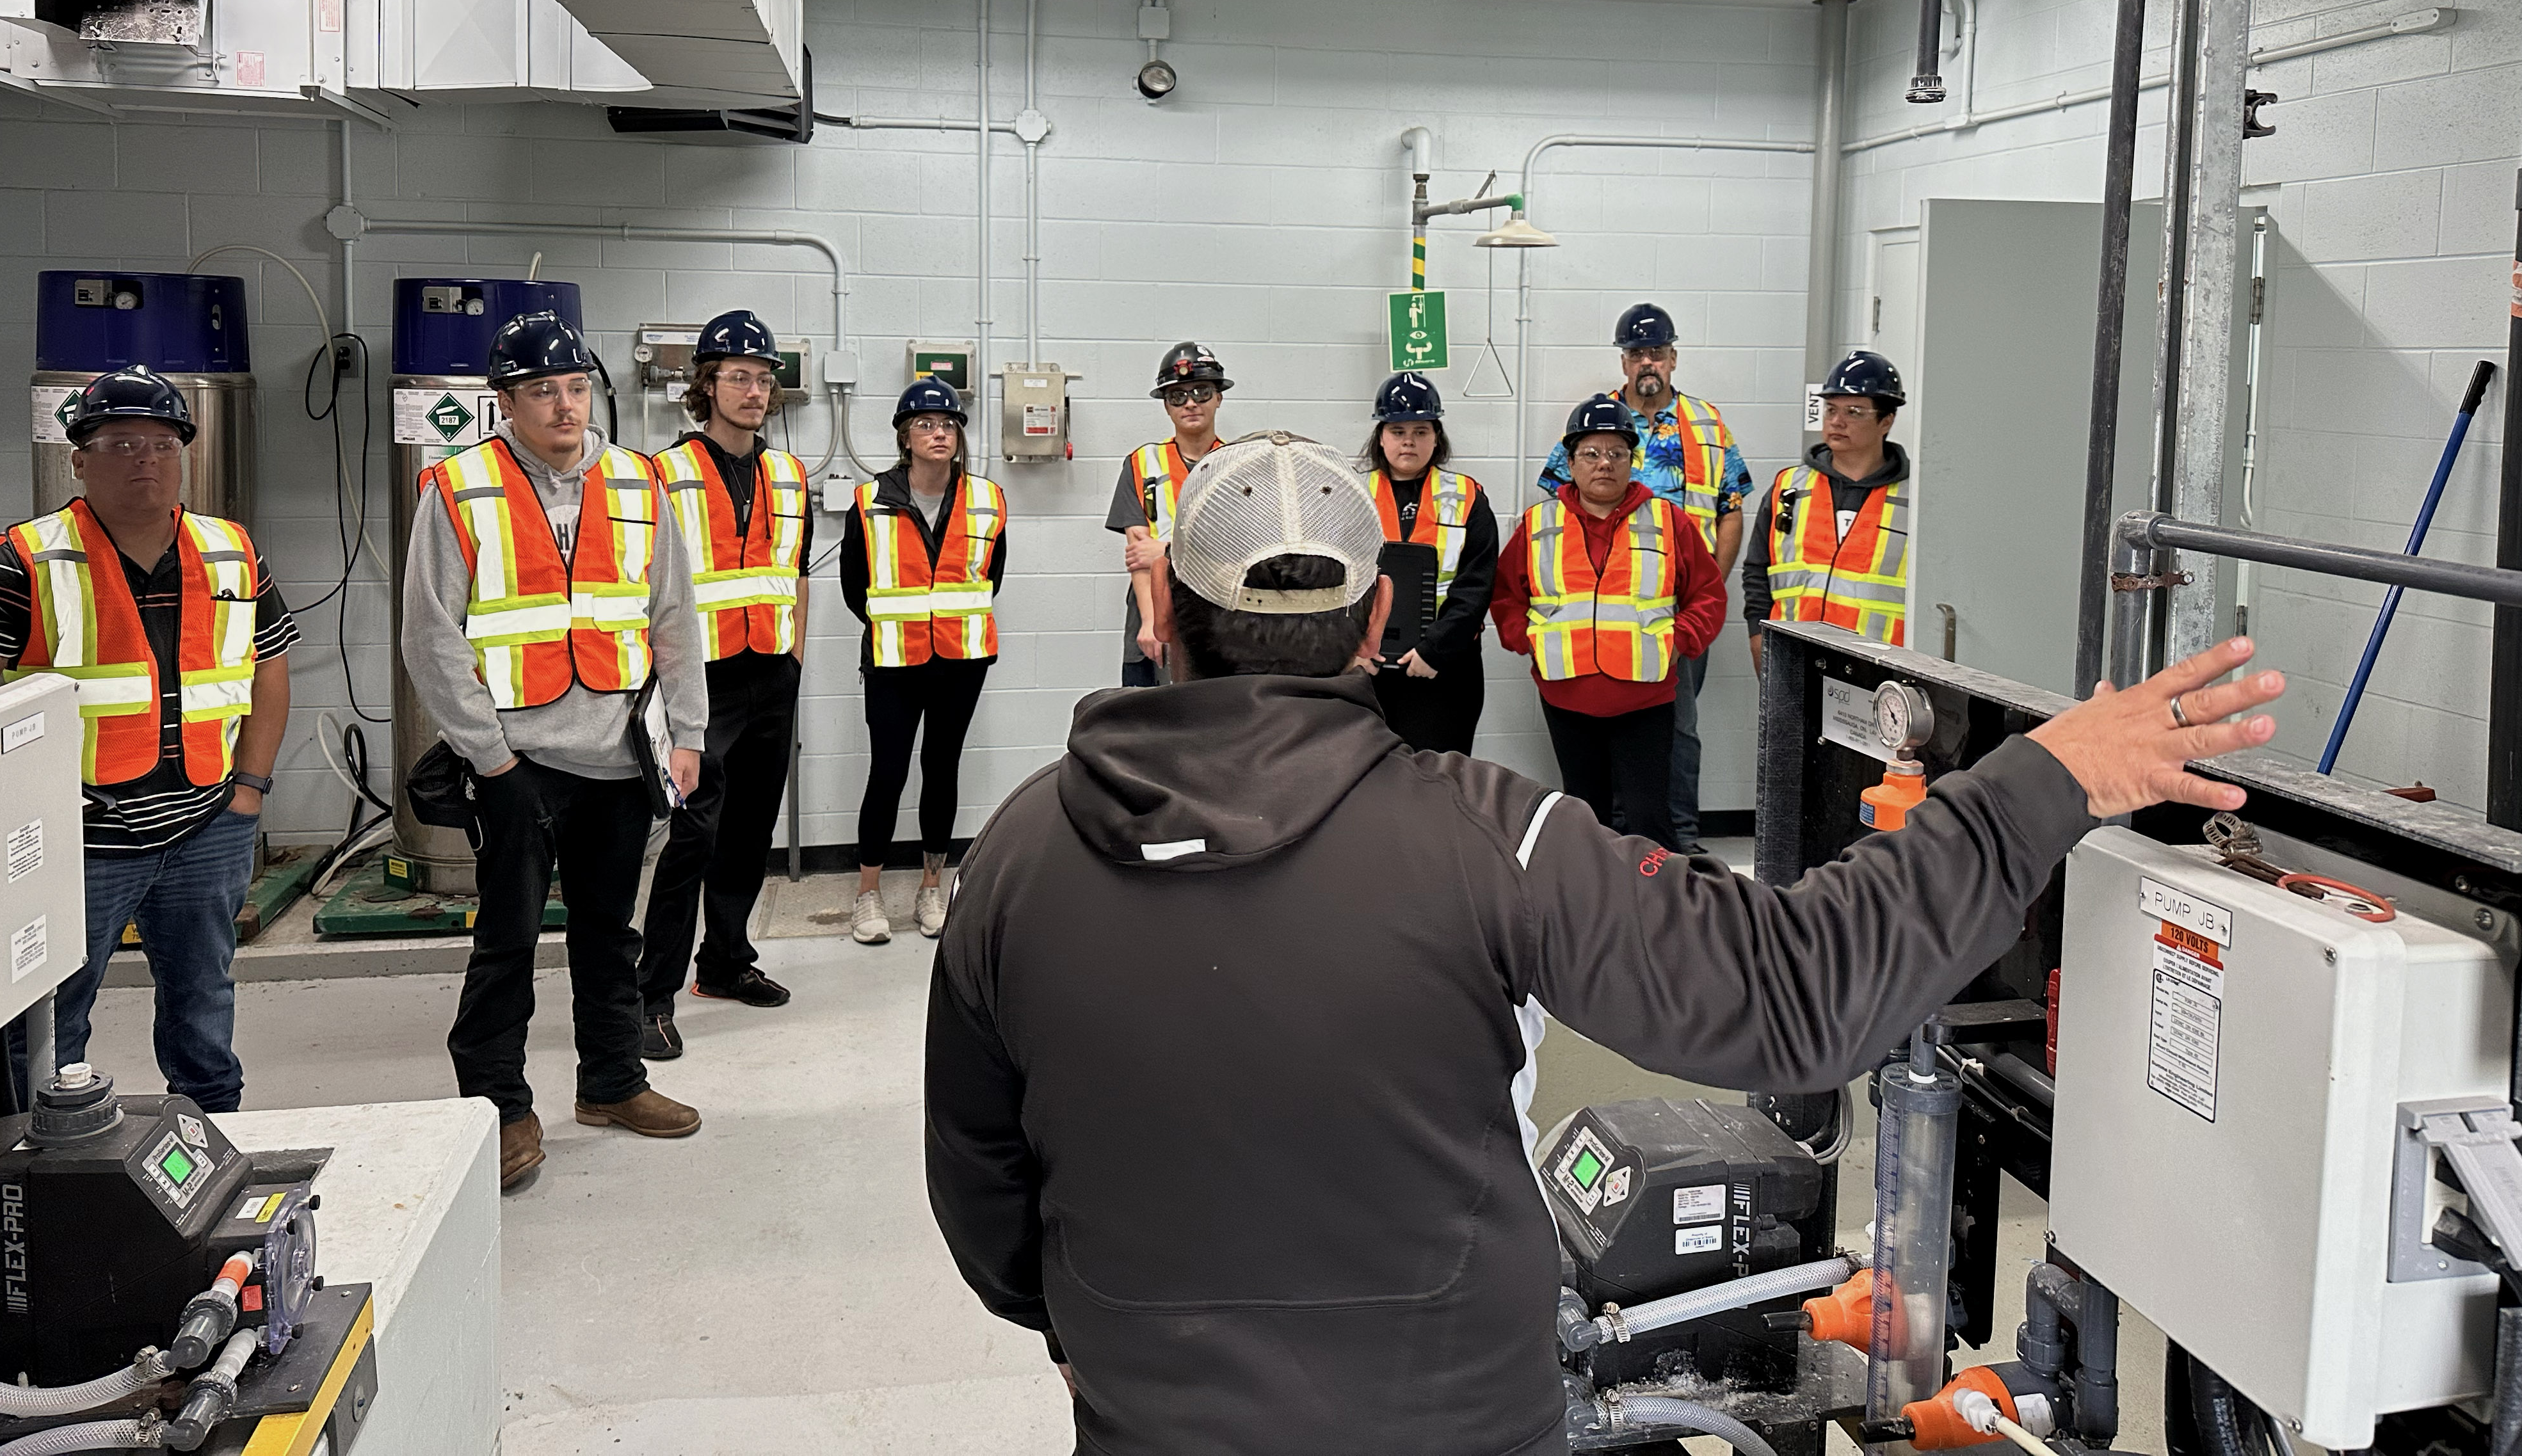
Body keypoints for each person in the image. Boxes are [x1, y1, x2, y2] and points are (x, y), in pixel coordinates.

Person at [923, 426, 2287, 1456]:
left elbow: (983, 1197)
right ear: (1378, 620)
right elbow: (1797, 996)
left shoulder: (1017, 861)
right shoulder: (1489, 838)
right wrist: (2047, 778)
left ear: (1159, 614)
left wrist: (1090, 1325)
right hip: (1458, 1419)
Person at [402, 310, 710, 1189]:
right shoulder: (460, 489)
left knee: (610, 936)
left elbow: (675, 621)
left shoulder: (638, 484)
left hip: (620, 757)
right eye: (544, 391)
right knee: (505, 943)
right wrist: (489, 759)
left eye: (576, 387)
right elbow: (431, 638)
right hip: (516, 762)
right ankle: (499, 1111)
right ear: (506, 401)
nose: (565, 405)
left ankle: (613, 1083)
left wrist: (686, 735)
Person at [0, 367, 293, 1114]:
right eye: (120, 444)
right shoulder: (20, 561)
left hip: (208, 823)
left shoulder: (231, 549)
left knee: (204, 998)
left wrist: (250, 793)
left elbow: (269, 672)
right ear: (79, 459)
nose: (145, 458)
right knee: (48, 1013)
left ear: (181, 456)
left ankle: (214, 1122)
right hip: (77, 838)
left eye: (161, 444)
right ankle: (37, 1152)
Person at [636, 310, 811, 1062]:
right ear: (704, 386)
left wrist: (797, 660)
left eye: (764, 378)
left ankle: (727, 962)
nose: (754, 390)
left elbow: (795, 574)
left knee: (750, 831)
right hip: (697, 682)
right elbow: (641, 587)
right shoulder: (661, 474)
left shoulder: (789, 472)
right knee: (693, 835)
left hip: (771, 673)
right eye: (737, 376)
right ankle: (651, 996)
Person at [1539, 303, 1751, 853]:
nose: (1646, 362)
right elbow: (1558, 508)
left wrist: (1709, 589)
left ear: (1673, 358)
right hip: (1601, 610)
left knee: (1678, 727)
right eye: (1636, 353)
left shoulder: (1706, 423)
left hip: (1679, 612)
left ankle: (1677, 838)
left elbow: (1731, 508)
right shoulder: (1595, 420)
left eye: (1656, 351)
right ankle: (1610, 839)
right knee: (1602, 726)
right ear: (1624, 361)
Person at [1493, 397, 1724, 847]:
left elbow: (1708, 594)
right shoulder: (1539, 523)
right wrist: (1528, 641)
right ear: (1571, 461)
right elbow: (1506, 595)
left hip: (1646, 699)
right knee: (1585, 818)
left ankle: (1655, 909)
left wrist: (1683, 639)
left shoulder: (1668, 521)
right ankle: (1592, 910)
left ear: (1632, 462)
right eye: (1592, 454)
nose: (1605, 464)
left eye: (1617, 453)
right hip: (1567, 697)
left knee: (1648, 820)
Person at [839, 379, 1009, 945]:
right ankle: (868, 895)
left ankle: (931, 886)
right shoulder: (870, 502)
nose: (940, 434)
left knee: (942, 769)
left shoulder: (986, 499)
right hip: (893, 661)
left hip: (962, 659)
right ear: (904, 438)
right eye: (926, 425)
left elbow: (991, 578)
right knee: (887, 773)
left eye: (949, 425)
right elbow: (854, 588)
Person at [1353, 372, 1498, 754]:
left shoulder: (1467, 497)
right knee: (1371, 782)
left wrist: (1436, 650)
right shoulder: (1350, 493)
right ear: (1381, 436)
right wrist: (1351, 648)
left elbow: (1476, 584)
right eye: (1398, 430)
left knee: (1440, 782)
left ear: (1437, 437)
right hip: (1366, 668)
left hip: (1444, 668)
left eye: (1421, 431)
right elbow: (1331, 579)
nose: (1409, 441)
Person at [1746, 349, 1913, 671]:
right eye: (1831, 409)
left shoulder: (1913, 500)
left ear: (1886, 421)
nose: (1837, 421)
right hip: (1795, 661)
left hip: (1879, 671)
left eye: (1854, 412)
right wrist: (1758, 637)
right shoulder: (1789, 488)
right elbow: (1757, 572)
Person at [1106, 340, 1230, 686]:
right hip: (1154, 608)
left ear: (1219, 397)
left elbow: (1240, 554)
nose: (1190, 403)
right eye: (1178, 396)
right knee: (1149, 724)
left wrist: (1165, 550)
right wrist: (1151, 622)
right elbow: (1138, 557)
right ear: (1166, 406)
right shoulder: (1141, 463)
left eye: (1202, 392)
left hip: (1221, 613)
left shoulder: (1238, 465)